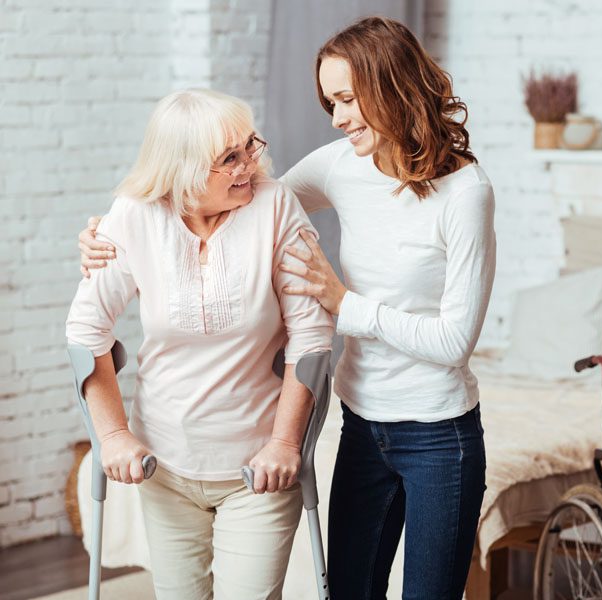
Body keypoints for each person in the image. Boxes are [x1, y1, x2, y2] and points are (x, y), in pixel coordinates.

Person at [79, 16, 496, 600]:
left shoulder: (466, 193)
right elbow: (251, 201)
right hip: (363, 422)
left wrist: (344, 305)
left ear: (392, 87)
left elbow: (454, 343)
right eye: (331, 101)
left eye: (348, 99)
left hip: (437, 432)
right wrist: (115, 230)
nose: (338, 118)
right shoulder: (342, 163)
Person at [67, 89, 334, 600]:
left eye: (249, 147)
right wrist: (114, 434)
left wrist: (284, 444)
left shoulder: (275, 207)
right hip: (163, 466)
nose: (249, 167)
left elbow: (312, 336)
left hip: (257, 469)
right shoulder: (134, 216)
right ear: (183, 170)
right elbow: (86, 330)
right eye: (229, 159)